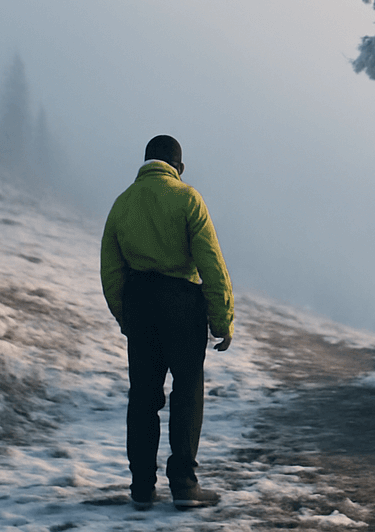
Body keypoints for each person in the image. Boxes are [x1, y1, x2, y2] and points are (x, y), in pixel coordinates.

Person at [100, 134, 234, 511]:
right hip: (182, 305)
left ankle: (142, 487)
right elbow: (211, 261)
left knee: (143, 398)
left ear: (145, 163)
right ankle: (184, 486)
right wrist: (222, 319)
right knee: (187, 393)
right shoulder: (188, 199)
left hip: (140, 305)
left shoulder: (122, 204)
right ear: (179, 167)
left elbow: (110, 270)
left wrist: (125, 317)